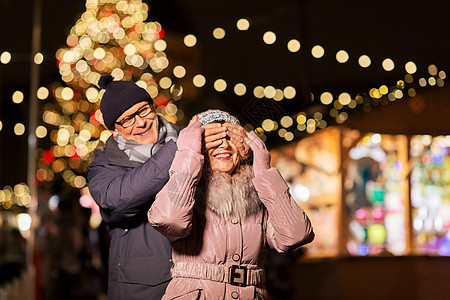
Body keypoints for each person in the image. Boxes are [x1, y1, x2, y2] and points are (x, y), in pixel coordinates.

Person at [87, 76, 249, 299]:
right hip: (142, 288)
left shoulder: (188, 140)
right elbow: (118, 199)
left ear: (153, 108)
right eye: (127, 119)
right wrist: (182, 149)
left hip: (199, 283)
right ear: (115, 130)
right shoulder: (104, 165)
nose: (140, 122)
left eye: (143, 110)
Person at [148, 110, 314, 299]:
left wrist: (264, 172)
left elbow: (296, 235)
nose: (224, 145)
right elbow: (169, 220)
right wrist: (188, 155)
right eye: (213, 140)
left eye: (230, 137)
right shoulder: (186, 187)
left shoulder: (259, 191)